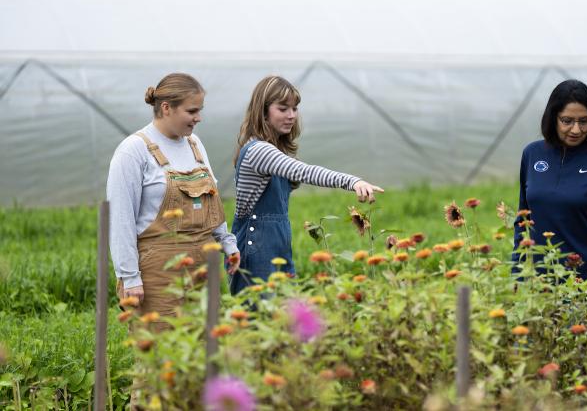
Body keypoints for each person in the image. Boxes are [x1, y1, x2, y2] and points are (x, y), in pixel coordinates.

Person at [107, 73, 240, 330]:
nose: (198, 118)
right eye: (192, 111)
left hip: (202, 265)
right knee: (163, 352)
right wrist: (129, 277)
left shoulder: (194, 144)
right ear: (166, 108)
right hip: (158, 272)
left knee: (206, 348)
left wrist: (227, 242)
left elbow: (210, 198)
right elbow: (120, 220)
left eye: (200, 110)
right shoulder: (134, 151)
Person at [231, 75, 383, 294]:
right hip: (256, 245)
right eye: (283, 109)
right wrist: (352, 181)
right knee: (257, 315)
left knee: (281, 313)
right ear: (262, 111)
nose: (291, 115)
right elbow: (305, 172)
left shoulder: (272, 150)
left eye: (295, 109)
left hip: (275, 241)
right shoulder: (259, 151)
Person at [512, 79, 587, 280]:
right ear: (553, 118)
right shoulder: (532, 155)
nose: (576, 130)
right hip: (541, 285)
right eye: (567, 121)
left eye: (583, 121)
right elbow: (523, 220)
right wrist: (517, 273)